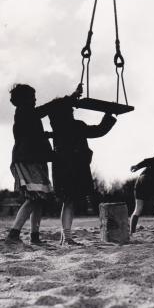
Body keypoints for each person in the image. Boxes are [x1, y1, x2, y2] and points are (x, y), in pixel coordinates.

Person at [38, 85, 117, 245]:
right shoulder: (76, 126)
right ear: (67, 112)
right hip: (74, 169)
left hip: (61, 169)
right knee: (69, 202)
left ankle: (65, 237)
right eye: (71, 110)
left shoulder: (57, 128)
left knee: (68, 202)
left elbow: (51, 108)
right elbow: (99, 131)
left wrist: (72, 97)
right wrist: (109, 114)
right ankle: (66, 238)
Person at [5, 84, 54, 245]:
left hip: (33, 158)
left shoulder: (26, 115)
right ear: (24, 99)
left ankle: (34, 236)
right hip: (27, 159)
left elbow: (36, 134)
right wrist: (64, 101)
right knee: (35, 197)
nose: (35, 99)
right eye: (32, 96)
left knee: (39, 198)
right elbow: (42, 111)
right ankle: (14, 233)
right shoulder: (25, 112)